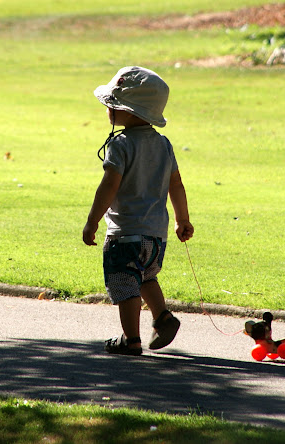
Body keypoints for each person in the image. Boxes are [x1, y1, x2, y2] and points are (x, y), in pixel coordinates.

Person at [83, 66, 194, 356]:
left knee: (124, 283)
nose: (108, 108)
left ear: (129, 112)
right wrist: (182, 219)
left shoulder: (120, 145)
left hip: (125, 234)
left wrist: (92, 221)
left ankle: (130, 338)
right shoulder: (163, 144)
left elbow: (108, 186)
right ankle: (162, 317)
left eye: (113, 104)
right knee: (146, 277)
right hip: (156, 237)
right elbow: (176, 184)